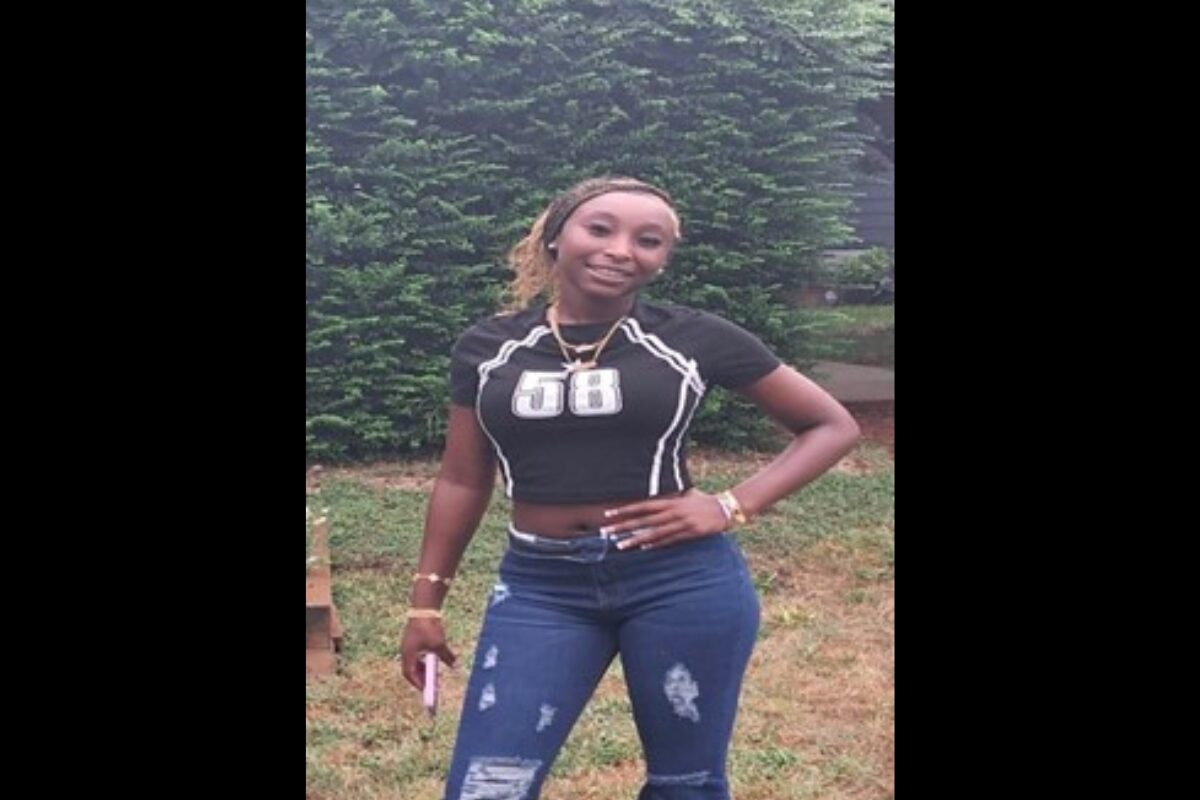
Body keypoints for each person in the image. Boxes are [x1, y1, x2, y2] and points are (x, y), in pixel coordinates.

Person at [399, 176, 861, 799]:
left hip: (681, 581)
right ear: (556, 236)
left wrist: (732, 505)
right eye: (600, 229)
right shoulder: (488, 347)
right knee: (487, 785)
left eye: (648, 240)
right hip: (541, 585)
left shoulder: (692, 337)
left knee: (685, 785)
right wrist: (425, 604)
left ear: (663, 259)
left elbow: (831, 425)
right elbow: (462, 478)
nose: (621, 250)